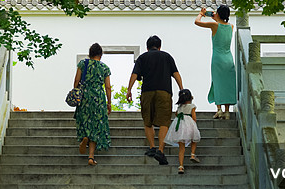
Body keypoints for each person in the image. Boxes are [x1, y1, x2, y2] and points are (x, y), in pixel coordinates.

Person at [126, 35, 183, 165]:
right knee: (164, 122)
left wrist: (129, 90)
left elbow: (134, 74)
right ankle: (160, 150)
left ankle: (152, 147)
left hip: (147, 92)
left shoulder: (142, 58)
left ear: (147, 47)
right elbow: (176, 74)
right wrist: (181, 89)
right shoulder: (167, 56)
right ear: (159, 46)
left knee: (148, 120)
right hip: (164, 92)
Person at [194, 5, 237, 119]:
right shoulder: (231, 26)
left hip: (217, 58)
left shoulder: (214, 25)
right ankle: (227, 111)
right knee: (227, 84)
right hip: (228, 59)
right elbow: (222, 25)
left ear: (218, 13)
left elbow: (197, 22)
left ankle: (219, 110)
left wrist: (201, 14)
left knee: (217, 83)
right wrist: (217, 18)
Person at [74, 43, 112, 165]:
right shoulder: (104, 68)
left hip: (85, 96)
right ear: (100, 55)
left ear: (90, 54)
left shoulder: (82, 64)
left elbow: (76, 80)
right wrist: (109, 103)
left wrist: (76, 92)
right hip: (98, 99)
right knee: (96, 125)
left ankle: (85, 137)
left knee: (85, 119)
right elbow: (108, 87)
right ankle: (91, 156)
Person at [164, 89, 201, 174]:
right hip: (188, 124)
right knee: (194, 139)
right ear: (190, 97)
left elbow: (177, 114)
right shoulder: (192, 106)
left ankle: (181, 166)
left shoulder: (179, 106)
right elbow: (194, 118)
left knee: (181, 148)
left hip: (179, 126)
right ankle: (192, 154)